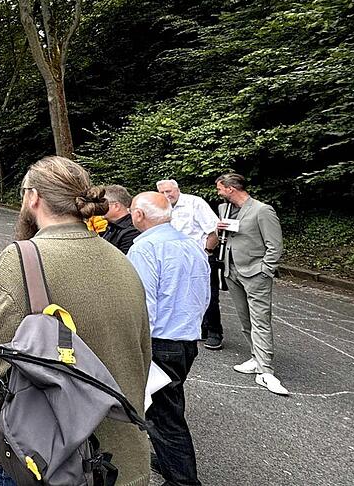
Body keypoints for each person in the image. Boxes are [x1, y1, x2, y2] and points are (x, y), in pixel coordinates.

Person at [0, 157, 150, 486]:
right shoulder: (123, 261)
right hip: (124, 460)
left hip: (49, 462)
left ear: (33, 197)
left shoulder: (22, 260)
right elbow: (141, 358)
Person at [128, 192, 209, 486]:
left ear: (139, 215)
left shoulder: (144, 249)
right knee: (168, 407)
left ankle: (183, 481)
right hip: (186, 341)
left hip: (160, 343)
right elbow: (205, 295)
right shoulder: (192, 244)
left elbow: (142, 304)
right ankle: (167, 460)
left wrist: (134, 345)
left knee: (164, 418)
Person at [215, 172, 289, 396]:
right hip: (231, 269)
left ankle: (266, 370)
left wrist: (266, 270)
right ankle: (256, 357)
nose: (218, 192)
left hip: (255, 272)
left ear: (231, 188)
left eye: (220, 188)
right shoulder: (224, 209)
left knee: (260, 320)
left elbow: (274, 244)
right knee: (245, 318)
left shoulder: (262, 210)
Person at [157, 179, 224, 350]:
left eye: (169, 191)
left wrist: (207, 251)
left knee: (208, 293)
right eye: (162, 192)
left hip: (198, 256)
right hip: (174, 258)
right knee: (182, 293)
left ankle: (214, 332)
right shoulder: (162, 207)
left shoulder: (195, 203)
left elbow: (213, 229)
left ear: (177, 189)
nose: (166, 195)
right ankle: (197, 328)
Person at [100, 184, 140, 254]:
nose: (100, 208)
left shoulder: (132, 232)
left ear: (116, 206)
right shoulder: (112, 227)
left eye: (103, 204)